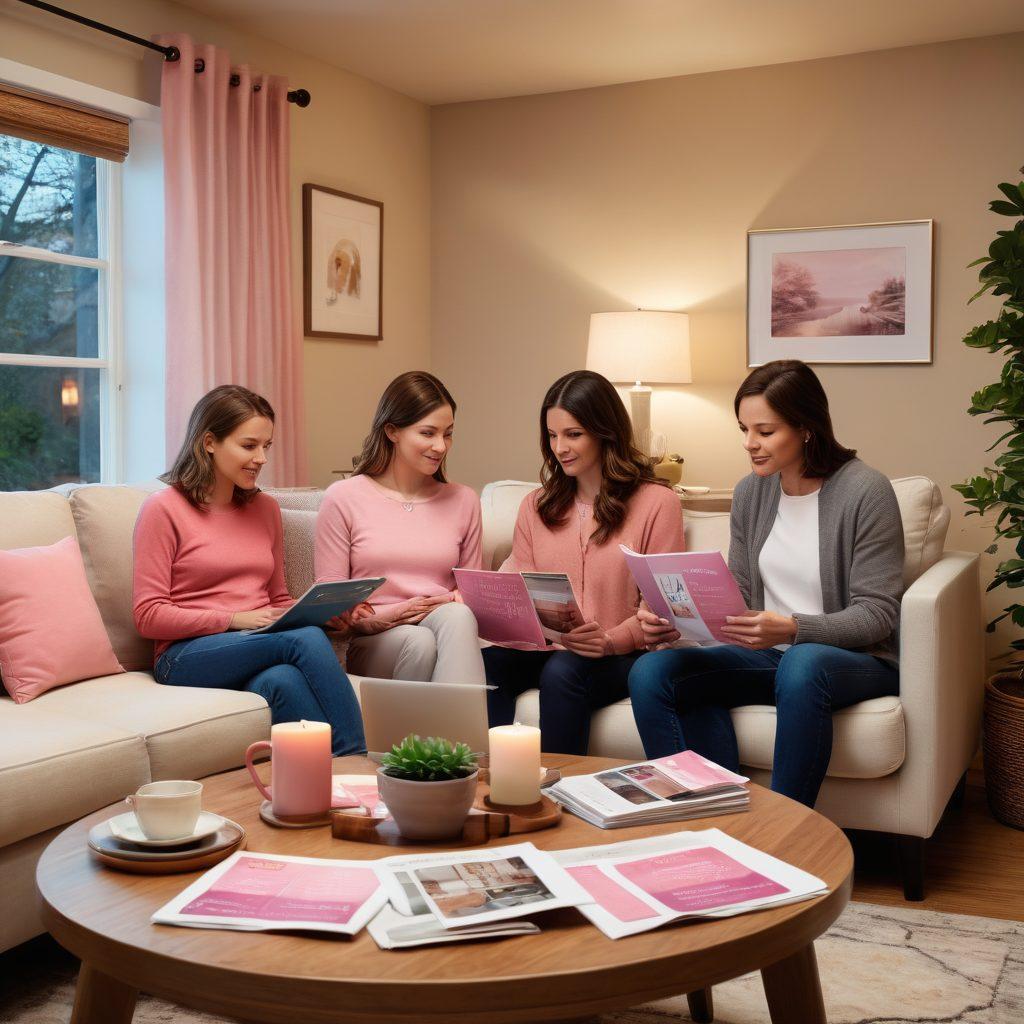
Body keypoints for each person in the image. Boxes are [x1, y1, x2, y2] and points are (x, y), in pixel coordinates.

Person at [628, 359, 903, 808]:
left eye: (765, 431)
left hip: (850, 661)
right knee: (653, 671)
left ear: (806, 427)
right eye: (744, 429)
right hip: (768, 656)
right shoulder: (751, 492)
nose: (749, 444)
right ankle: (715, 816)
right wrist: (675, 618)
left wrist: (793, 629)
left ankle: (785, 834)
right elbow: (735, 593)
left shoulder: (866, 491)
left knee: (803, 663)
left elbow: (877, 614)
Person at [133, 385, 365, 757]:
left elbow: (276, 599)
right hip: (183, 656)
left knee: (284, 680)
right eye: (248, 445)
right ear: (209, 442)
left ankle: (325, 792)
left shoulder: (265, 510)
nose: (260, 458)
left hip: (256, 643)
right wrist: (235, 618)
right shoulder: (163, 510)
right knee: (302, 640)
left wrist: (319, 614)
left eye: (266, 446)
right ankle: (357, 763)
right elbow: (148, 616)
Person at [483, 369, 684, 755]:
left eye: (573, 434)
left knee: (564, 672)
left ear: (604, 431)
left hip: (621, 656)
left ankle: (558, 794)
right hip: (549, 649)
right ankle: (492, 785)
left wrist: (610, 641)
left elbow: (660, 612)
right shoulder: (535, 506)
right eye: (553, 435)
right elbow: (520, 588)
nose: (560, 448)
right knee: (489, 664)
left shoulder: (657, 503)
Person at [315, 371, 485, 683]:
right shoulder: (343, 497)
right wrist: (383, 618)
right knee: (417, 643)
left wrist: (447, 601)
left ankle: (445, 733)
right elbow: (332, 603)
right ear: (392, 431)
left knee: (457, 615)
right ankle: (459, 732)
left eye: (448, 434)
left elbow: (473, 594)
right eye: (428, 433)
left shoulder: (464, 500)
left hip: (444, 621)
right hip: (374, 639)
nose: (440, 446)